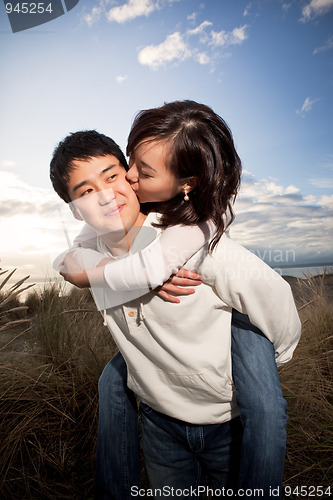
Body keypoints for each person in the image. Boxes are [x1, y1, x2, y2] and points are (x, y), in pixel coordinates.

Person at [50, 102, 301, 499]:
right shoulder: (89, 255)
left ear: (129, 176)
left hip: (225, 425)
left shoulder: (193, 244)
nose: (106, 194)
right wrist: (127, 281)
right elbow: (69, 261)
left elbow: (276, 297)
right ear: (74, 210)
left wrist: (276, 357)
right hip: (158, 425)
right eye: (85, 191)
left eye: (114, 175)